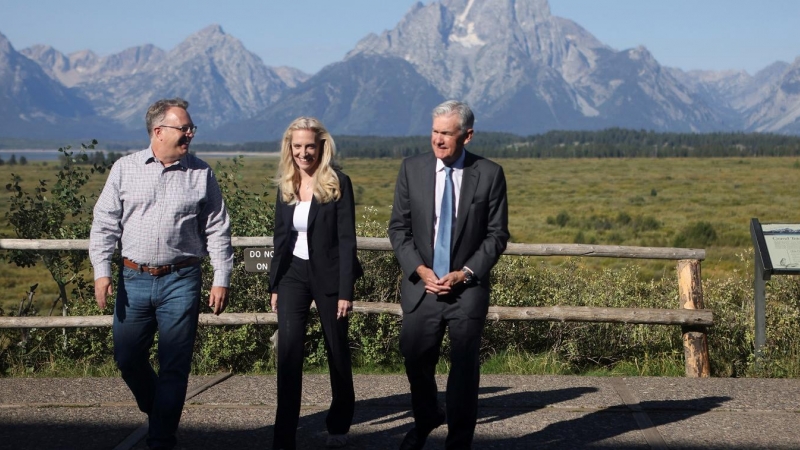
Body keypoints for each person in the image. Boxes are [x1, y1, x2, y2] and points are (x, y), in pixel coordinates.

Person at [89, 98, 233, 450]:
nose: (189, 134)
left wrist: (221, 277)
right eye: (183, 128)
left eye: (190, 129)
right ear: (158, 131)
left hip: (181, 280)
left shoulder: (201, 173)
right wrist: (102, 271)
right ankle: (159, 411)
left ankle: (161, 438)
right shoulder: (125, 168)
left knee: (174, 364)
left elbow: (217, 228)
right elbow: (105, 222)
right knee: (127, 357)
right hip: (132, 279)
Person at [388, 100, 510, 449]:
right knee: (414, 356)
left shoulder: (489, 174)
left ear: (467, 136)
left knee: (464, 369)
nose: (437, 140)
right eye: (434, 132)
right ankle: (426, 415)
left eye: (446, 133)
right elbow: (398, 229)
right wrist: (420, 269)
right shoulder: (412, 169)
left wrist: (465, 273)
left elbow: (496, 235)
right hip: (422, 286)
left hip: (466, 289)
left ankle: (459, 440)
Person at [268, 117, 362, 450]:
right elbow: (281, 237)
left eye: (310, 146)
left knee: (336, 351)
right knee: (289, 354)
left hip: (330, 277)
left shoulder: (338, 183)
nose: (303, 153)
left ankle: (339, 424)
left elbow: (347, 239)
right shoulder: (286, 184)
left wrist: (345, 290)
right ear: (289, 148)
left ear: (322, 146)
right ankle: (284, 435)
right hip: (293, 274)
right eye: (297, 146)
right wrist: (275, 284)